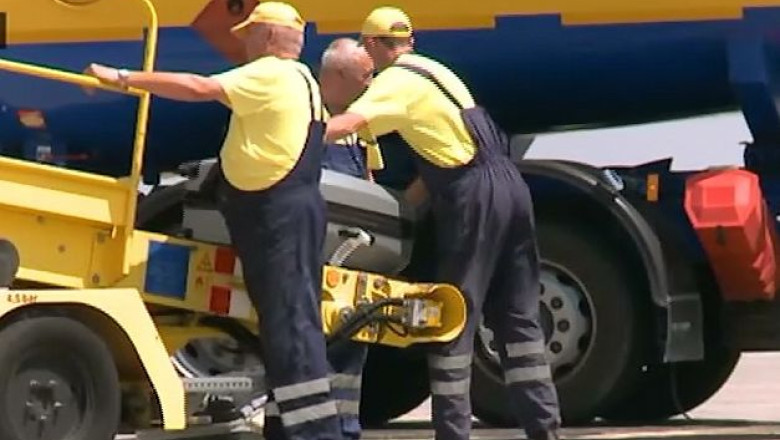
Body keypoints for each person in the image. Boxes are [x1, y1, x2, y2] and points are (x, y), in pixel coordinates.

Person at [84, 3, 344, 440]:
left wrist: (123, 77)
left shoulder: (269, 73)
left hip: (277, 216)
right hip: (286, 211)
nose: (241, 42)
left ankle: (315, 433)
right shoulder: (301, 78)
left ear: (268, 36)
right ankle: (290, 427)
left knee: (290, 325)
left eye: (248, 33)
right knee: (286, 323)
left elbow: (199, 87)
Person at [324, 6, 562, 440]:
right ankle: (544, 428)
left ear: (373, 45)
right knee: (519, 317)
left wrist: (298, 135)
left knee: (454, 315)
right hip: (510, 187)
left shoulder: (395, 80)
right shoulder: (437, 71)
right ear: (409, 40)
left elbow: (350, 123)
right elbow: (444, 153)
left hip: (473, 195)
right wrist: (404, 209)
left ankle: (453, 432)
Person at [319, 37, 376, 181]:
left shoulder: (361, 117)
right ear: (340, 74)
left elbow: (368, 178)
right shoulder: (306, 114)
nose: (370, 84)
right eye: (366, 76)